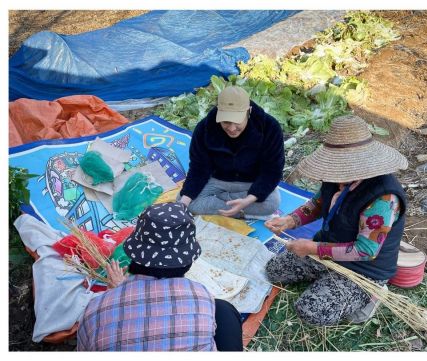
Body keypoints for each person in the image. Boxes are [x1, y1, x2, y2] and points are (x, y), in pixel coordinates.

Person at [264, 115, 408, 326]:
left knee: (312, 311)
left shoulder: (384, 197)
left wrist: (312, 248)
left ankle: (373, 295)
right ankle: (327, 278)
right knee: (274, 271)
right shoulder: (335, 177)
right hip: (328, 250)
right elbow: (318, 203)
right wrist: (290, 220)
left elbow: (366, 250)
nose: (337, 172)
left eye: (343, 166)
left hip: (364, 269)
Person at [77, 202, 243, 351]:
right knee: (223, 309)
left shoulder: (93, 310)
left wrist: (115, 294)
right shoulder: (201, 296)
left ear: (134, 254)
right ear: (187, 262)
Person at [178, 85, 285, 219]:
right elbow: (199, 168)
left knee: (272, 203)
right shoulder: (204, 128)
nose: (232, 128)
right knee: (185, 200)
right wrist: (183, 204)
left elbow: (272, 170)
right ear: (218, 113)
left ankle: (230, 204)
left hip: (251, 182)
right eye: (226, 122)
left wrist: (249, 199)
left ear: (249, 111)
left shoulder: (270, 128)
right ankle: (239, 211)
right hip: (217, 180)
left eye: (237, 122)